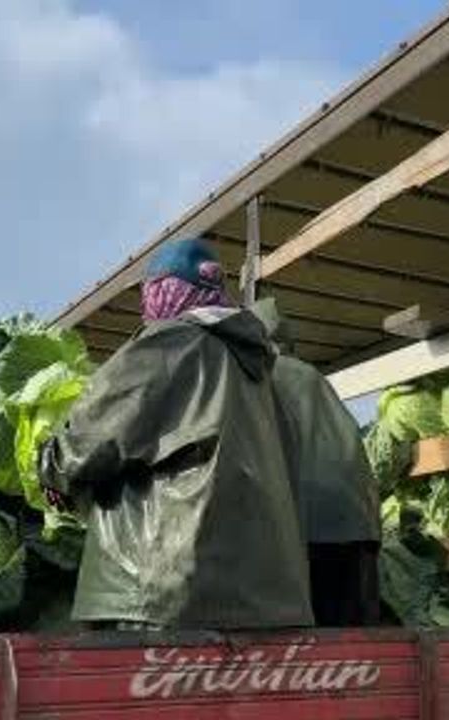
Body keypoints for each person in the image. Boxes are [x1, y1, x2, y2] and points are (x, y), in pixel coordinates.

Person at [38, 238, 313, 630]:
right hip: (269, 602)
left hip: (163, 594)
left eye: (150, 292)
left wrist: (51, 467)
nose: (147, 306)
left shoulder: (172, 342)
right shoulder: (261, 374)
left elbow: (94, 436)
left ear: (163, 289)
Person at [255, 299, 382, 627]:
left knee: (304, 644)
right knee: (353, 641)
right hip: (358, 523)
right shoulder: (312, 376)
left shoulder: (258, 373)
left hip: (304, 527)